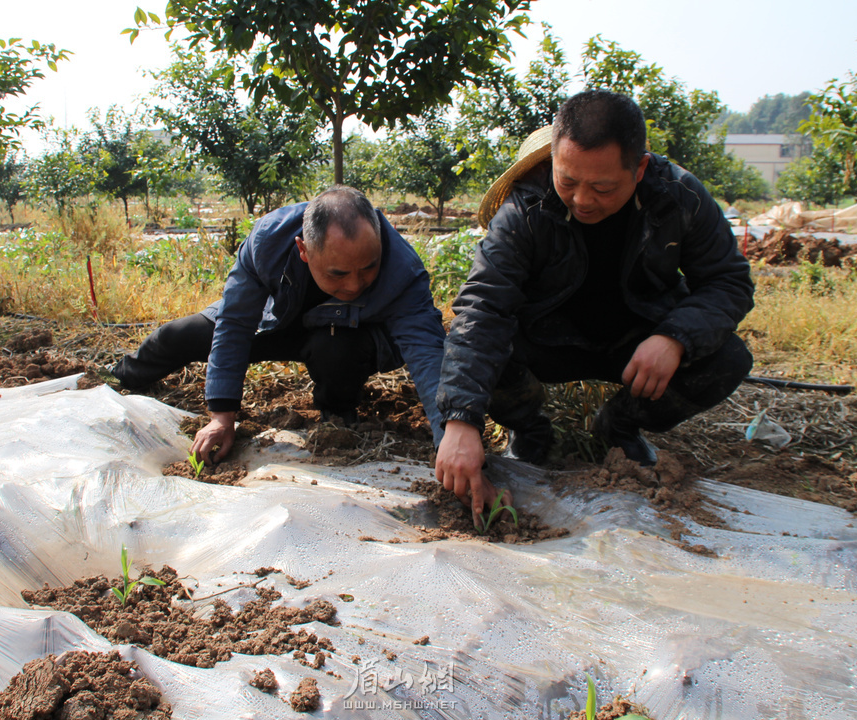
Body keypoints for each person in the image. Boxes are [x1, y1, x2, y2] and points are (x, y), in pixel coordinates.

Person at [435, 89, 755, 514]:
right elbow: (484, 308)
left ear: (639, 169)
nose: (583, 200)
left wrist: (675, 338)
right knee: (476, 347)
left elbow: (728, 281)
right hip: (547, 339)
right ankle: (531, 431)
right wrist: (461, 420)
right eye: (567, 181)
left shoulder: (679, 198)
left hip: (634, 339)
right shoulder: (525, 209)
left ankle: (619, 426)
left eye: (603, 187)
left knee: (727, 359)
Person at [111, 186, 446, 461]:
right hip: (277, 321)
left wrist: (448, 438)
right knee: (177, 336)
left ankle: (338, 414)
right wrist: (222, 416)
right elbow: (235, 322)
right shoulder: (269, 241)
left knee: (337, 351)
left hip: (351, 335)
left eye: (369, 268)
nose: (356, 285)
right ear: (304, 250)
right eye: (338, 274)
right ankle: (118, 377)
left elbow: (427, 353)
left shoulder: (403, 270)